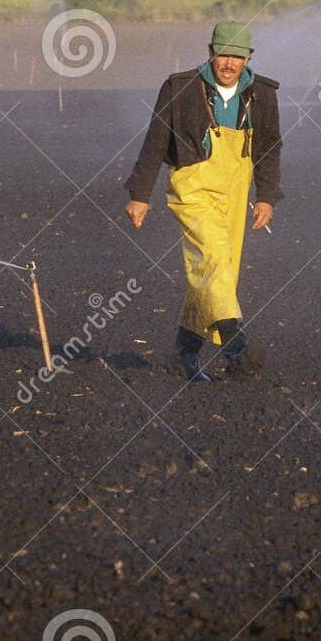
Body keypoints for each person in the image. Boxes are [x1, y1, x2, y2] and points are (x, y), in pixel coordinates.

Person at [124, 21, 282, 381]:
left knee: (214, 275)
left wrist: (267, 196)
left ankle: (185, 354)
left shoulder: (262, 93)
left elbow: (270, 147)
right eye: (223, 54)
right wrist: (140, 195)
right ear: (210, 53)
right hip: (191, 190)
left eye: (237, 57)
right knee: (212, 260)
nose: (229, 63)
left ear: (247, 59)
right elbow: (155, 139)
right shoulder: (180, 88)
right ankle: (237, 346)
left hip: (236, 191)